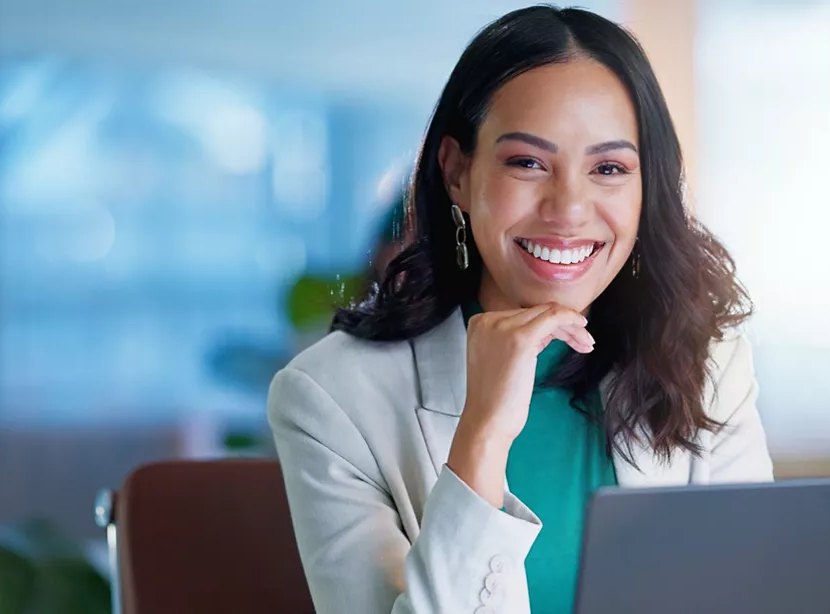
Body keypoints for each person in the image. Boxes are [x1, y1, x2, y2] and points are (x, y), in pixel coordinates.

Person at [266, 6, 771, 614]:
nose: (569, 209)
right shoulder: (332, 397)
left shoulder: (706, 361)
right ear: (457, 172)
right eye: (528, 163)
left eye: (608, 168)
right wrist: (481, 435)